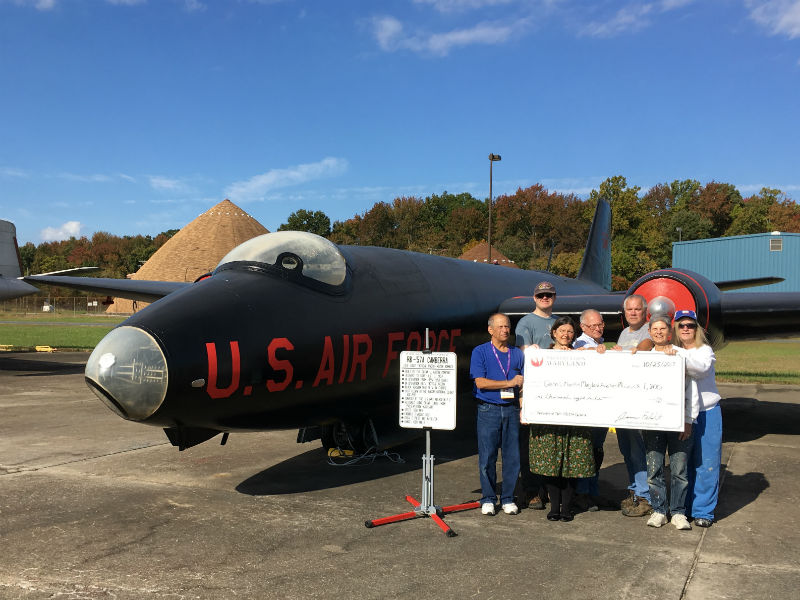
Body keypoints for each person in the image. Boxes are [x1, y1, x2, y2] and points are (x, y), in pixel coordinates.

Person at [526, 317, 596, 522]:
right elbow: (529, 370)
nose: (566, 335)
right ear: (554, 333)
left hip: (574, 418)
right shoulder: (541, 355)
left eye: (570, 332)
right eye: (562, 331)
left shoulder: (581, 355)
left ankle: (566, 507)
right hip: (549, 418)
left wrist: (590, 352)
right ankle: (554, 506)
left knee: (571, 465)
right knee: (551, 465)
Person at [633, 315, 698, 529]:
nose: (659, 332)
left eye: (663, 329)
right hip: (653, 423)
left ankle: (678, 512)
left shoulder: (680, 355)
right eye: (655, 329)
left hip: (677, 422)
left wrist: (689, 420)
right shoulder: (642, 357)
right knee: (654, 468)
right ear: (649, 333)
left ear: (669, 333)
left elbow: (691, 390)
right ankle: (659, 509)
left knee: (679, 469)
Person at [470, 313, 525, 516]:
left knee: (512, 457)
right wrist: (508, 383)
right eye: (500, 327)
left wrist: (522, 407)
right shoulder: (480, 352)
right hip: (488, 409)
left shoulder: (517, 353)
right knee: (487, 457)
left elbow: (523, 384)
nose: (505, 330)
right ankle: (488, 498)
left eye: (507, 326)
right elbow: (480, 383)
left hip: (511, 409)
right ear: (490, 330)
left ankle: (508, 498)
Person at [673, 309, 722, 528]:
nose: (685, 329)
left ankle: (703, 511)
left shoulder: (705, 351)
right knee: (683, 464)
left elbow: (699, 370)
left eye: (690, 325)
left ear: (697, 329)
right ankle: (683, 508)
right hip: (680, 414)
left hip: (706, 413)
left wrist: (672, 355)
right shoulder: (671, 350)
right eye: (681, 325)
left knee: (706, 462)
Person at [514, 281, 558, 510]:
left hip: (554, 392)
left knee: (549, 444)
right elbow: (521, 352)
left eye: (548, 295)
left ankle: (548, 490)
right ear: (534, 297)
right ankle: (531, 491)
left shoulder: (558, 322)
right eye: (541, 295)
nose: (545, 298)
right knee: (529, 444)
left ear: (554, 297)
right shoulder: (525, 322)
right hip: (532, 392)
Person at [612, 295, 654, 518]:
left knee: (639, 450)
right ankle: (635, 490)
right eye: (630, 309)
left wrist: (637, 349)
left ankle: (645, 496)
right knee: (626, 450)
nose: (634, 312)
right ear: (624, 311)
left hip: (639, 403)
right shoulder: (623, 332)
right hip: (622, 402)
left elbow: (646, 346)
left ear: (645, 311)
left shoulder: (648, 331)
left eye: (638, 309)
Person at [573, 309, 609, 510]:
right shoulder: (581, 344)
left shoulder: (598, 343)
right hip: (588, 408)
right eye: (592, 325)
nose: (597, 328)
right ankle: (583, 493)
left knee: (597, 450)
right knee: (588, 451)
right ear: (583, 327)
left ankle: (591, 491)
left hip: (601, 405)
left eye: (600, 324)